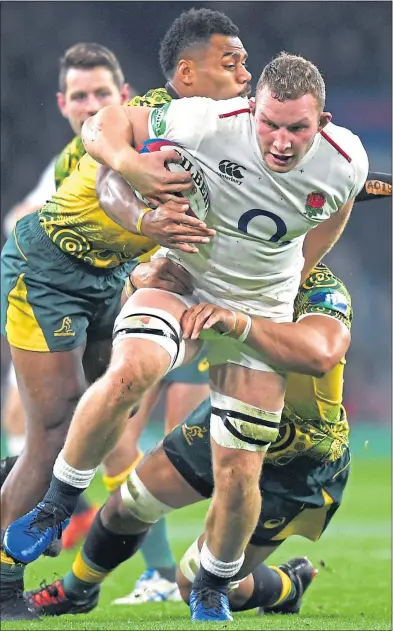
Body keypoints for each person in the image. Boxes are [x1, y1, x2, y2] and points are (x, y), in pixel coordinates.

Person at [3, 51, 369, 623]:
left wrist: (294, 277)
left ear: (321, 123)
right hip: (183, 280)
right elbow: (105, 128)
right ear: (252, 110)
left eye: (297, 127)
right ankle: (57, 503)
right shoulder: (207, 121)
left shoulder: (345, 161)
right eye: (269, 122)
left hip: (256, 309)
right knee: (131, 370)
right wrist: (131, 162)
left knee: (239, 469)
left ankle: (212, 587)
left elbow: (336, 208)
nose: (279, 140)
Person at [0, 9, 251, 620]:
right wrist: (144, 219)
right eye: (231, 60)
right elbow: (113, 178)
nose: (245, 71)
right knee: (55, 428)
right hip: (48, 272)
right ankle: (6, 580)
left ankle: (147, 564)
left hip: (111, 280)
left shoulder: (224, 128)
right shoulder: (161, 118)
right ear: (188, 73)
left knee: (112, 411)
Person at [25, 260, 351, 619]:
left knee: (195, 581)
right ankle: (75, 591)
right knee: (125, 507)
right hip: (228, 416)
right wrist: (138, 278)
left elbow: (320, 354)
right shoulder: (231, 266)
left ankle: (288, 585)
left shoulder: (321, 288)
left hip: (299, 455)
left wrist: (237, 322)